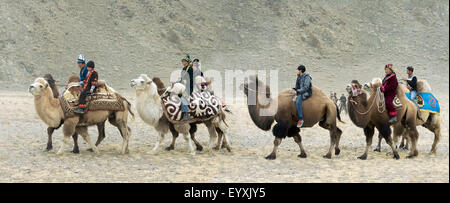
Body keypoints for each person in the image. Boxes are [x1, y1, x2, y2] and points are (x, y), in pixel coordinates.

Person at [179, 54, 194, 120]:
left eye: (184, 61)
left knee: (183, 97)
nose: (183, 63)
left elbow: (191, 80)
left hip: (188, 87)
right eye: (182, 61)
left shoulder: (190, 69)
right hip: (183, 85)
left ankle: (186, 113)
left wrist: (189, 89)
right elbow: (182, 78)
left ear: (187, 62)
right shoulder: (184, 68)